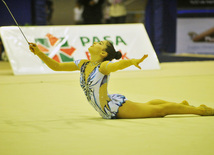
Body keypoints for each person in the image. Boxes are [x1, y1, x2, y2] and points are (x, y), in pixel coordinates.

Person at [29, 41, 214, 119]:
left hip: (114, 109)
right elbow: (57, 66)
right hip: (109, 107)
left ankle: (199, 110)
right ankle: (180, 104)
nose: (94, 43)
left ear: (102, 54)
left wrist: (132, 61)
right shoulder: (83, 64)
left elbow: (115, 66)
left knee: (158, 111)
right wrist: (39, 53)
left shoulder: (103, 66)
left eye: (99, 44)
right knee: (149, 104)